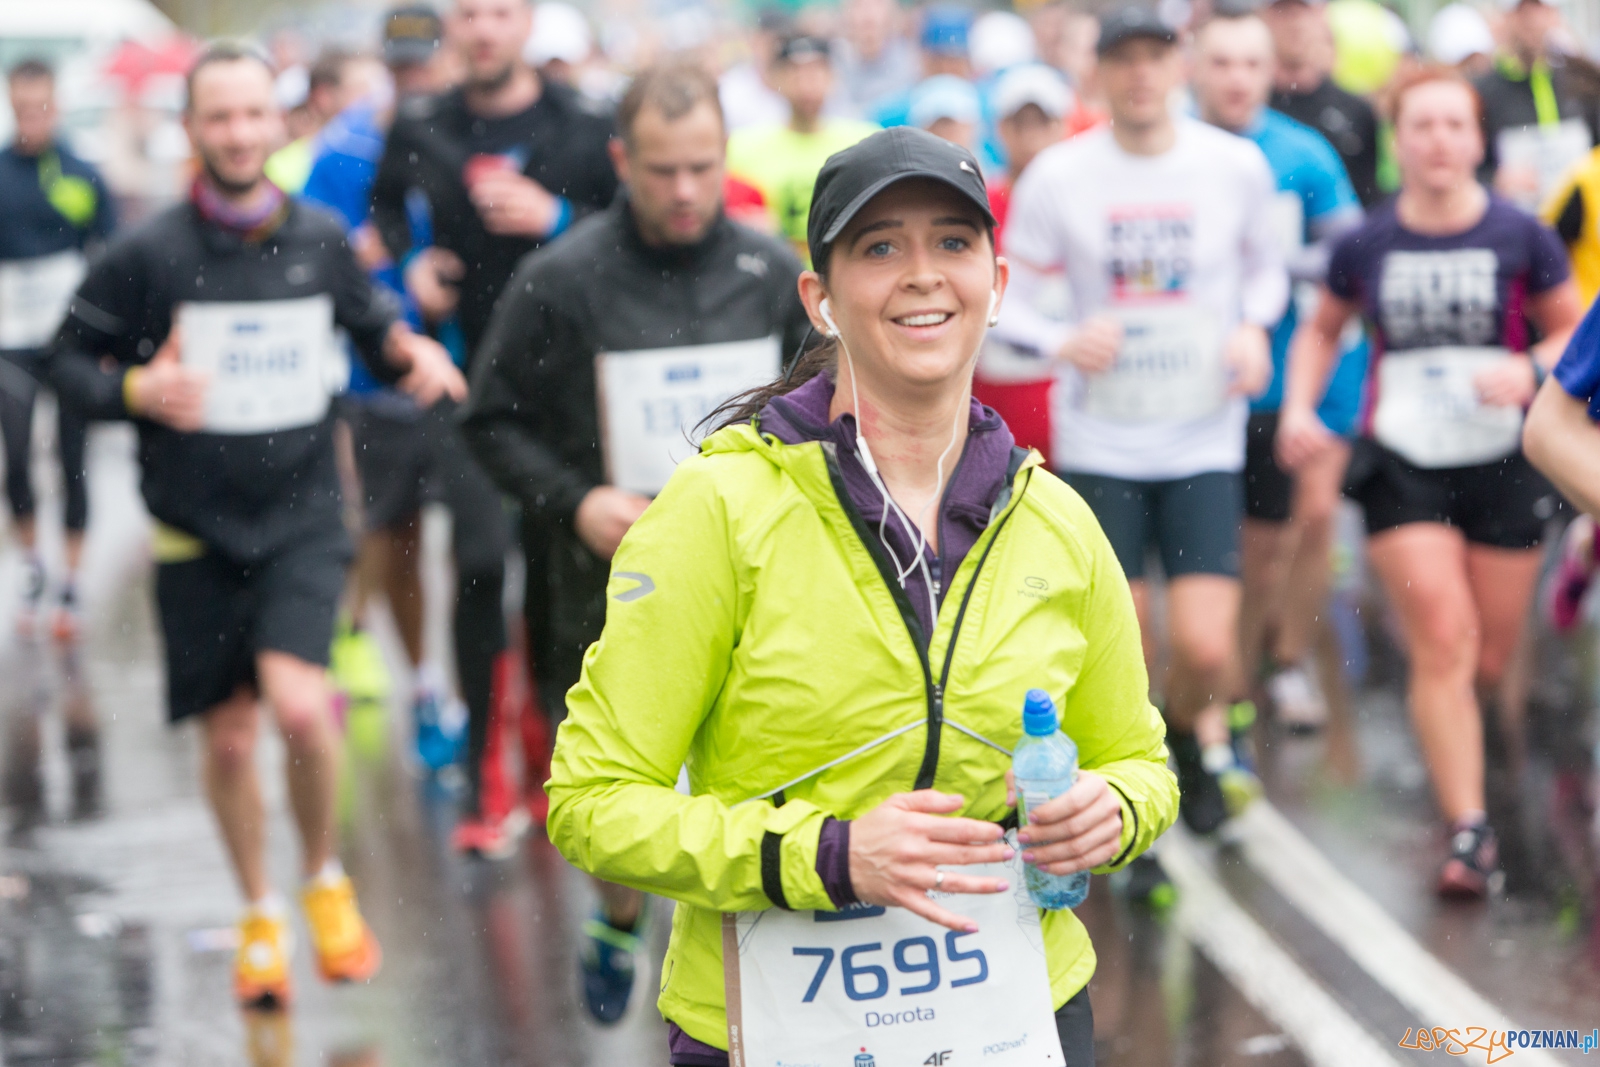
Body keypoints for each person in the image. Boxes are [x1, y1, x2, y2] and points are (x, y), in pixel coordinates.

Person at [540, 124, 1176, 1067]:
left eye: (954, 243)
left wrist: (1108, 811)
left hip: (1018, 1017)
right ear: (821, 298)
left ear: (996, 286)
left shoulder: (1059, 521)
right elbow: (591, 803)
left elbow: (1139, 761)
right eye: (880, 247)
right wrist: (828, 857)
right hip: (770, 1029)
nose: (923, 274)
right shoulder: (719, 507)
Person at [42, 44, 466, 1005]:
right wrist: (140, 386)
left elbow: (371, 326)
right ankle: (261, 911)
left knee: (301, 704)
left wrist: (413, 358)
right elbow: (67, 364)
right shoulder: (146, 257)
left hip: (304, 515)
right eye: (217, 117)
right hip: (194, 530)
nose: (237, 133)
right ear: (191, 130)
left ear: (277, 124)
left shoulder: (318, 236)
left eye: (250, 115)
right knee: (230, 740)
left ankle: (322, 875)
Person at [461, 63, 814, 1026]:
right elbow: (489, 421)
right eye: (662, 170)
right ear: (622, 161)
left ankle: (734, 1001)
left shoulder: (770, 274)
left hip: (753, 586)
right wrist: (576, 502)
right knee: (624, 799)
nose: (686, 190)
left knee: (742, 800)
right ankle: (618, 915)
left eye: (703, 166)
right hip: (602, 586)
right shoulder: (561, 278)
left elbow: (827, 413)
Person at [993, 7, 1286, 900]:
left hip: (1201, 436)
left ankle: (1194, 750)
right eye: (1122, 60)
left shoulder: (1232, 165)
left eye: (1155, 57)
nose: (1140, 75)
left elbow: (1269, 269)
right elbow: (1009, 299)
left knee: (1202, 645)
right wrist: (1061, 339)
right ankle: (1136, 807)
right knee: (1128, 644)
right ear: (1099, 71)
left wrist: (1251, 328)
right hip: (1105, 443)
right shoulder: (1060, 176)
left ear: (1178, 61)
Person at [1278, 66, 1581, 899]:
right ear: (1398, 140)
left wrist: (1526, 367)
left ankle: (1468, 736)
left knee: (1487, 654)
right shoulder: (1367, 242)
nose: (1439, 141)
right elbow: (1323, 329)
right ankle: (1469, 830)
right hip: (1403, 460)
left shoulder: (1523, 234)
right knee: (1441, 637)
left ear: (1478, 140)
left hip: (1508, 459)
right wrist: (1303, 404)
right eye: (1422, 126)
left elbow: (1572, 338)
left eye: (1455, 125)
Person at [370, 0, 618, 845]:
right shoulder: (421, 123)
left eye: (501, 12)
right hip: (467, 385)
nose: (483, 29)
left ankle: (561, 757)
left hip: (565, 393)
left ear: (527, 23)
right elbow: (385, 213)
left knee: (562, 576)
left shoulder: (582, 125)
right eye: (469, 12)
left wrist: (555, 222)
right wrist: (412, 264)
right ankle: (484, 774)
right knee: (477, 563)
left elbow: (633, 234)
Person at [1192, 12, 1365, 731]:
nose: (1237, 80)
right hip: (1203, 377)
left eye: (1251, 65)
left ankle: (1285, 661)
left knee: (1308, 520)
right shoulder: (1173, 150)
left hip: (1302, 365)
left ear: (1271, 72)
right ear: (1196, 71)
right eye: (1222, 64)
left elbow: (1350, 255)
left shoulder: (1304, 153)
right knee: (1230, 547)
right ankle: (1219, 685)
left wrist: (1268, 260)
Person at [0, 59, 115, 641]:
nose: (32, 119)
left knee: (74, 461)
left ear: (57, 105)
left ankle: (70, 579)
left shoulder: (80, 172)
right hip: (11, 338)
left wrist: (111, 340)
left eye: (41, 107)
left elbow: (111, 254)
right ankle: (32, 564)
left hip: (69, 343)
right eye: (22, 109)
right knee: (17, 457)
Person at [972, 63, 1070, 465]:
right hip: (995, 404)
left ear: (1061, 127)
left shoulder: (1082, 202)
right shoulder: (977, 204)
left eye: (1041, 123)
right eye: (1019, 124)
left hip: (1069, 404)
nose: (1030, 137)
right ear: (1001, 129)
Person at [726, 35, 878, 261]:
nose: (806, 84)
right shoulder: (742, 147)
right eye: (795, 72)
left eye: (816, 71)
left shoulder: (864, 141)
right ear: (775, 78)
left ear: (833, 77)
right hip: (768, 273)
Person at [1472, 0, 1600, 207]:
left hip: (1580, 226)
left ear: (1554, 15)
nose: (1532, 21)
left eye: (1540, 9)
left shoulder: (1584, 78)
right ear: (1506, 19)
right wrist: (1494, 180)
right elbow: (1468, 170)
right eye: (1522, 12)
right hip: (1517, 224)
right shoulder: (1482, 90)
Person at [1263, 0, 1383, 207]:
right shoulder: (1248, 107)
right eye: (1284, 12)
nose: (1295, 23)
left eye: (1304, 12)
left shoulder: (1356, 111)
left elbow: (1370, 199)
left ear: (1322, 17)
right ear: (1264, 18)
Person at [832, 0, 920, 117]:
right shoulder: (832, 60)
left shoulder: (912, 61)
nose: (868, 14)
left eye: (877, 4)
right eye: (859, 5)